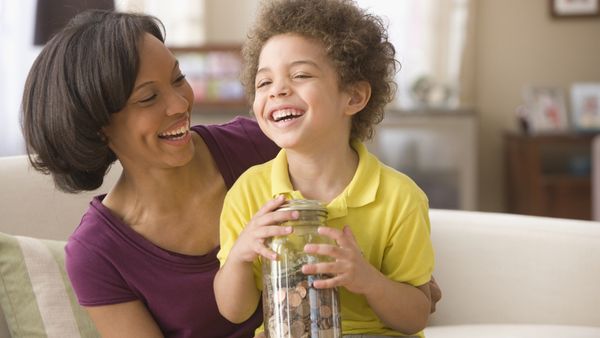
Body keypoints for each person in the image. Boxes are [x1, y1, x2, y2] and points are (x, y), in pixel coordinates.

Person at [20, 10, 282, 338]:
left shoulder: (258, 145)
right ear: (98, 128)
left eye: (177, 79)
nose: (180, 104)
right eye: (148, 97)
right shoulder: (97, 255)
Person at [214, 0, 436, 337]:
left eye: (301, 75)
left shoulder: (400, 198)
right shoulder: (249, 192)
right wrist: (242, 254)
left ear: (354, 97)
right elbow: (234, 311)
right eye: (264, 83)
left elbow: (416, 316)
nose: (278, 90)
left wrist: (367, 279)